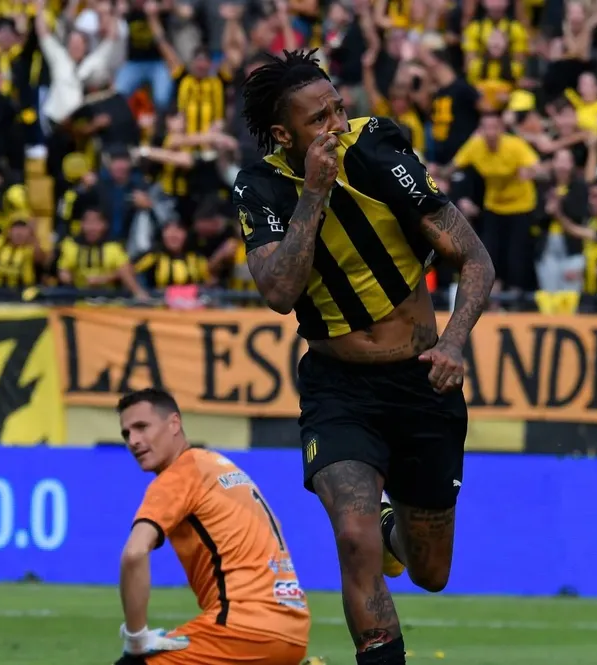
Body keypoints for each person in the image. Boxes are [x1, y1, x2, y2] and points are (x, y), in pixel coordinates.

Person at [231, 49, 495, 665]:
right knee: (352, 534)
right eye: (319, 118)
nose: (336, 125)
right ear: (282, 134)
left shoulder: (377, 150)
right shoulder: (260, 187)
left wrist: (454, 341)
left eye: (338, 109)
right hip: (339, 389)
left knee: (430, 571)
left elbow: (474, 257)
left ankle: (390, 528)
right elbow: (278, 292)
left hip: (422, 381)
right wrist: (313, 194)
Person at [114, 388, 310, 665]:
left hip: (245, 628)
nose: (134, 441)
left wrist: (136, 639)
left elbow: (134, 553)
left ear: (174, 424)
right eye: (126, 434)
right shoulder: (218, 466)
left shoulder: (179, 474)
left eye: (142, 427)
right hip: (292, 626)